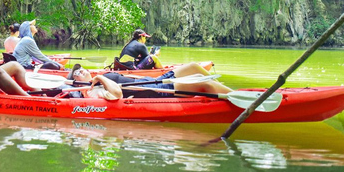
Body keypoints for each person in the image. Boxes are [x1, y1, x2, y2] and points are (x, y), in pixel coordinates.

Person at [65, 62, 231, 100]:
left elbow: (129, 78)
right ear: (77, 82)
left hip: (154, 81)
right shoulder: (92, 90)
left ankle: (228, 90)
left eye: (81, 68)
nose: (82, 70)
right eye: (78, 73)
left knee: (194, 68)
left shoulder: (99, 77)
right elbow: (117, 94)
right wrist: (100, 78)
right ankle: (237, 97)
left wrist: (154, 78)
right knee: (204, 83)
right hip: (156, 91)